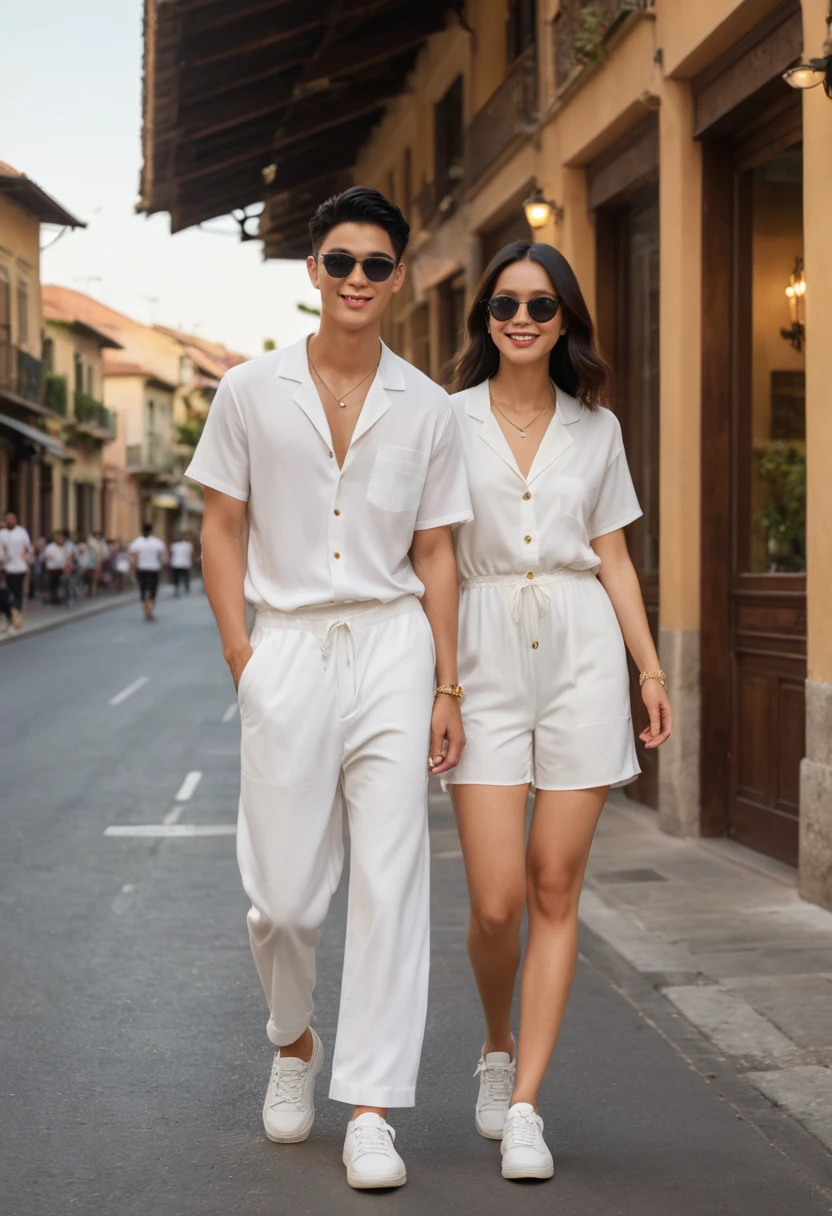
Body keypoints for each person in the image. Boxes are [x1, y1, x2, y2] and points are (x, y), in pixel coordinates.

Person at [186, 186, 472, 1191]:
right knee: (282, 901)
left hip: (393, 643)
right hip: (289, 647)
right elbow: (221, 525)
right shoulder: (248, 391)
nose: (358, 279)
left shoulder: (428, 405)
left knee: (392, 880)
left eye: (376, 264)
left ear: (397, 278)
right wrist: (240, 656)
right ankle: (293, 1038)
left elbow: (435, 549)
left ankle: (371, 1110)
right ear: (312, 271)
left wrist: (446, 682)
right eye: (341, 261)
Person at [446, 241, 673, 1182]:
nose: (524, 319)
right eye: (505, 306)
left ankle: (529, 1102)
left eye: (541, 305)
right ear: (486, 320)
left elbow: (614, 555)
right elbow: (428, 555)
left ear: (566, 317)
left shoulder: (599, 428)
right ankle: (496, 1044)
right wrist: (439, 684)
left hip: (581, 651)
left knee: (553, 885)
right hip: (482, 650)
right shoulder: (446, 421)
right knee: (496, 901)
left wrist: (650, 671)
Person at [0, 511, 33, 633]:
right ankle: (9, 618)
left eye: (12, 518)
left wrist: (28, 561)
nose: (10, 521)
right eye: (8, 519)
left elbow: (28, 549)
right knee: (5, 595)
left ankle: (17, 620)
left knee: (16, 593)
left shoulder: (21, 533)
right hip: (6, 569)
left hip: (20, 568)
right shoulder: (2, 534)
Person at [128, 523, 167, 620]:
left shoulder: (136, 542)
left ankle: (146, 609)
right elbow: (163, 557)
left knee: (143, 589)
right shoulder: (157, 542)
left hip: (141, 570)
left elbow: (133, 558)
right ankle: (149, 609)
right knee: (152, 590)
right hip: (153, 569)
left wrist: (132, 570)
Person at [44, 530, 69, 604]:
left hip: (60, 569)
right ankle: (53, 598)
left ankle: (57, 597)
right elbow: (48, 556)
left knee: (58, 584)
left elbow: (66, 556)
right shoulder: (51, 547)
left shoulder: (64, 547)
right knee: (53, 584)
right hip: (53, 569)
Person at [169, 532, 194, 596]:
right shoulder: (188, 545)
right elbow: (191, 554)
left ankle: (177, 587)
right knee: (185, 576)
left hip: (176, 563)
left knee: (177, 577)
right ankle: (186, 587)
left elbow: (171, 554)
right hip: (184, 563)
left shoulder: (174, 545)